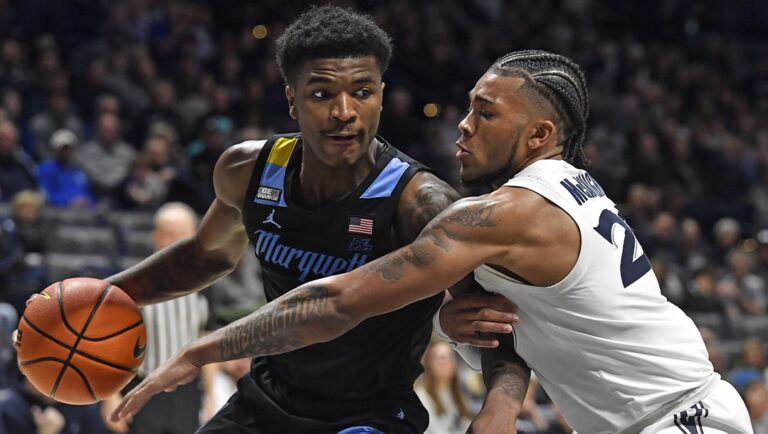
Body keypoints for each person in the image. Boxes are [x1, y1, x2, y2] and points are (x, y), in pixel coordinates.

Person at [111, 50, 754, 434]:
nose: (462, 126)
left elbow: (339, 302)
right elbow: (522, 319)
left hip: (674, 419)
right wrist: (458, 330)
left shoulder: (509, 212)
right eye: (468, 108)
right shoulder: (566, 189)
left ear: (537, 135)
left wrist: (201, 351)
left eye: (485, 113)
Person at [36, 5, 513, 434]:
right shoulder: (247, 170)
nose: (345, 112)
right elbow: (204, 257)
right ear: (292, 100)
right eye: (323, 93)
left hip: (369, 416)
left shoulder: (421, 203)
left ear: (382, 96)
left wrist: (499, 407)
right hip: (265, 401)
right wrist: (99, 298)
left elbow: (496, 325)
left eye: (362, 92)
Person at [100, 202, 213, 434]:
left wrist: (211, 394)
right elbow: (108, 343)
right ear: (155, 237)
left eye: (183, 235)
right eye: (169, 235)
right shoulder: (133, 281)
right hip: (140, 388)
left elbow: (207, 338)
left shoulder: (208, 282)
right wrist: (109, 397)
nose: (176, 242)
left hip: (187, 393)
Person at [415, 341, 473, 434]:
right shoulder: (422, 397)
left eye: (450, 356)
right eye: (441, 358)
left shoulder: (460, 394)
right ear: (429, 363)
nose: (446, 362)